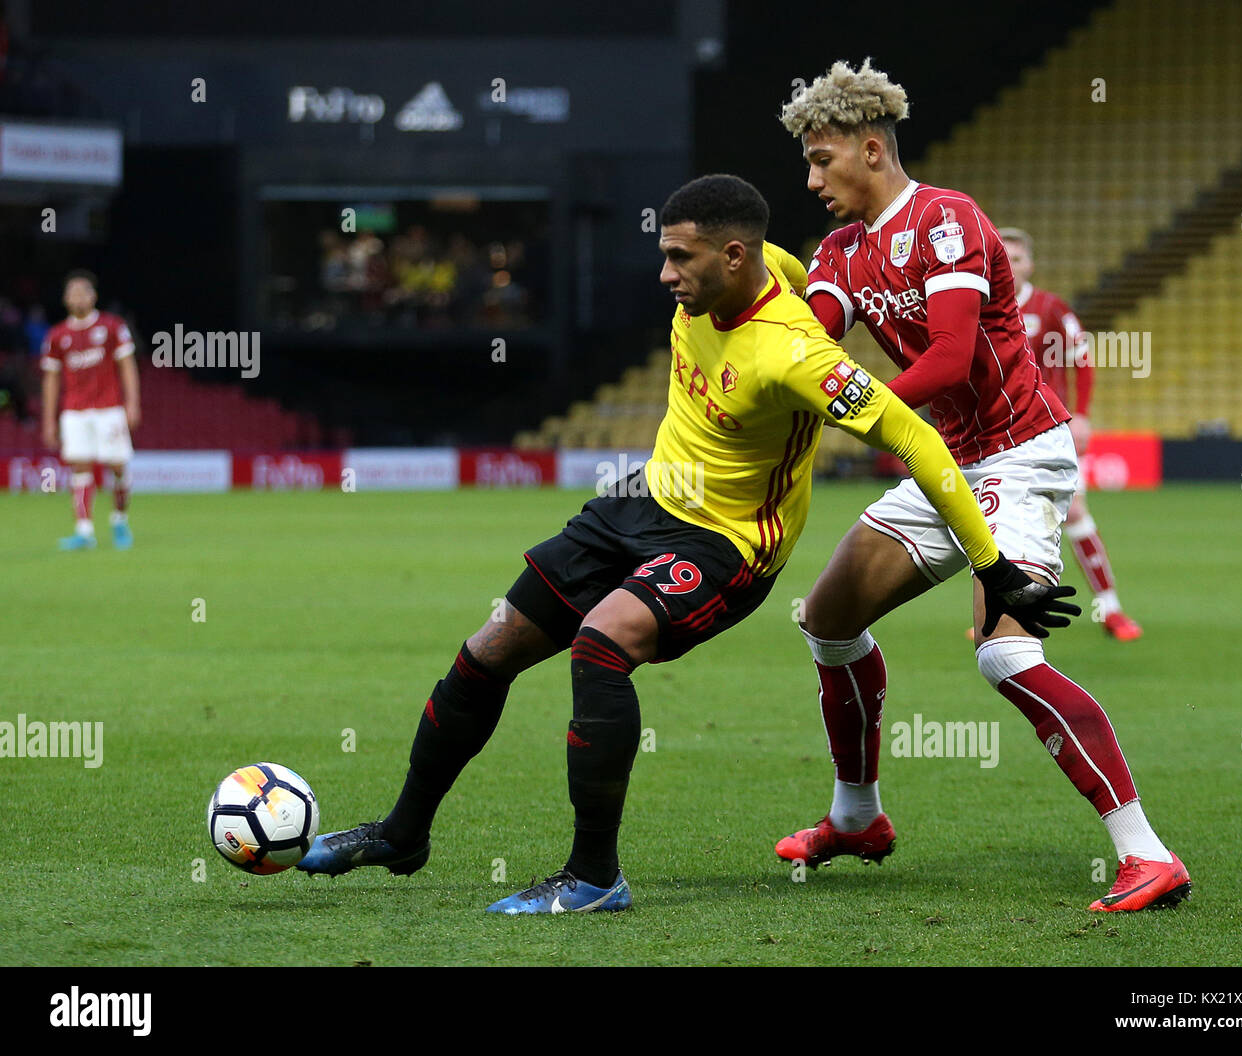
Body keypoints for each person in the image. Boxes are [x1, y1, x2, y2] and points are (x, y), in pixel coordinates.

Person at [297, 174, 1074, 914]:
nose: (665, 272)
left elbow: (916, 439)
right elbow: (802, 268)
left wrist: (993, 565)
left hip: (727, 542)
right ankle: (403, 833)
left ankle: (594, 878)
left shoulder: (794, 355)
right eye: (665, 253)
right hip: (643, 500)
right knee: (488, 648)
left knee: (601, 647)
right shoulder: (763, 266)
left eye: (680, 256)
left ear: (731, 256)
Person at [774, 60, 1188, 911]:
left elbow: (953, 357)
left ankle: (1148, 854)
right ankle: (858, 819)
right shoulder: (839, 251)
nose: (812, 179)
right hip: (941, 461)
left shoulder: (946, 220)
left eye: (823, 160)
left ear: (872, 148)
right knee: (829, 619)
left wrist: (856, 417)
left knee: (1004, 652)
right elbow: (812, 352)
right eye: (807, 164)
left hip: (1018, 452)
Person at [1000, 228, 1142, 641]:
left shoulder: (1050, 307)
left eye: (1018, 257)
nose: (1011, 264)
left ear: (1031, 264)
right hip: (1001, 432)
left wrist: (1081, 414)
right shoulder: (982, 306)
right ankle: (1000, 612)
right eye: (1003, 256)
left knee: (1075, 513)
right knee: (1002, 523)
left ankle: (1110, 609)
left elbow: (1082, 361)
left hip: (1050, 427)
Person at [40, 271, 139, 550]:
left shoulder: (111, 327)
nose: (78, 297)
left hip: (109, 408)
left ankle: (119, 520)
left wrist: (132, 403)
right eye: (72, 292)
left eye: (83, 292)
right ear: (65, 299)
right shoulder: (57, 335)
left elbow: (127, 366)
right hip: (75, 410)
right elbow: (50, 379)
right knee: (80, 467)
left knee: (117, 465)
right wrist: (49, 420)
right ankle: (84, 531)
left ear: (93, 296)